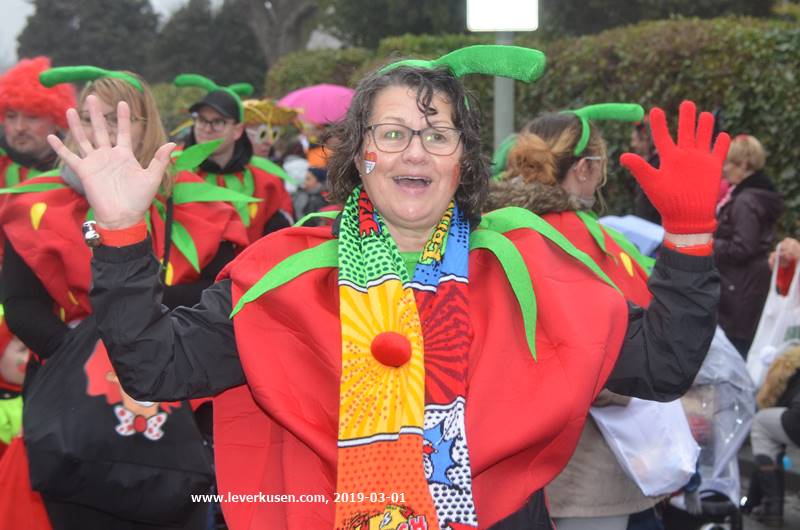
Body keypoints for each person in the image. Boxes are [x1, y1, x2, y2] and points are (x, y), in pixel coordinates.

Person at [52, 46, 726, 530]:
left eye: (437, 135)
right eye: (393, 132)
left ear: (464, 159)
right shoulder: (286, 274)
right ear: (359, 153)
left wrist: (691, 242)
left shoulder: (527, 273)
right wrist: (119, 233)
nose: (413, 153)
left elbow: (661, 367)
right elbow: (154, 364)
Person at [1, 66, 250, 530]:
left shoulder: (202, 201)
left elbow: (221, 290)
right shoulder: (34, 205)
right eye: (96, 118)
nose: (109, 132)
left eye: (120, 119)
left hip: (182, 405)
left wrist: (145, 330)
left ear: (147, 125)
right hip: (72, 407)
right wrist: (81, 353)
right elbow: (20, 302)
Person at [487, 104, 667, 530]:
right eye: (601, 166)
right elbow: (629, 355)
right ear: (585, 168)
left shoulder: (488, 229)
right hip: (588, 476)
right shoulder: (589, 243)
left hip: (505, 472)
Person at [175, 74, 294, 244]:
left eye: (218, 122)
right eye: (201, 120)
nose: (207, 129)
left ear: (238, 130)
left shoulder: (265, 181)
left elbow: (281, 239)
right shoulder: (173, 171)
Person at [714, 134, 783, 357]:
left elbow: (743, 247)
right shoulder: (753, 196)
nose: (723, 169)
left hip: (739, 289)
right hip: (745, 286)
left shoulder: (746, 201)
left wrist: (710, 243)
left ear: (743, 165)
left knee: (733, 352)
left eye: (728, 163)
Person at [744, 343, 800, 527]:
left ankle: (772, 509)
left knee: (760, 423)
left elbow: (768, 401)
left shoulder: (787, 363)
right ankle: (761, 505)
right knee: (771, 436)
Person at [0, 56, 75, 186]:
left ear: (57, 120)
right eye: (11, 116)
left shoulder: (75, 172)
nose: (20, 127)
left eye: (32, 117)